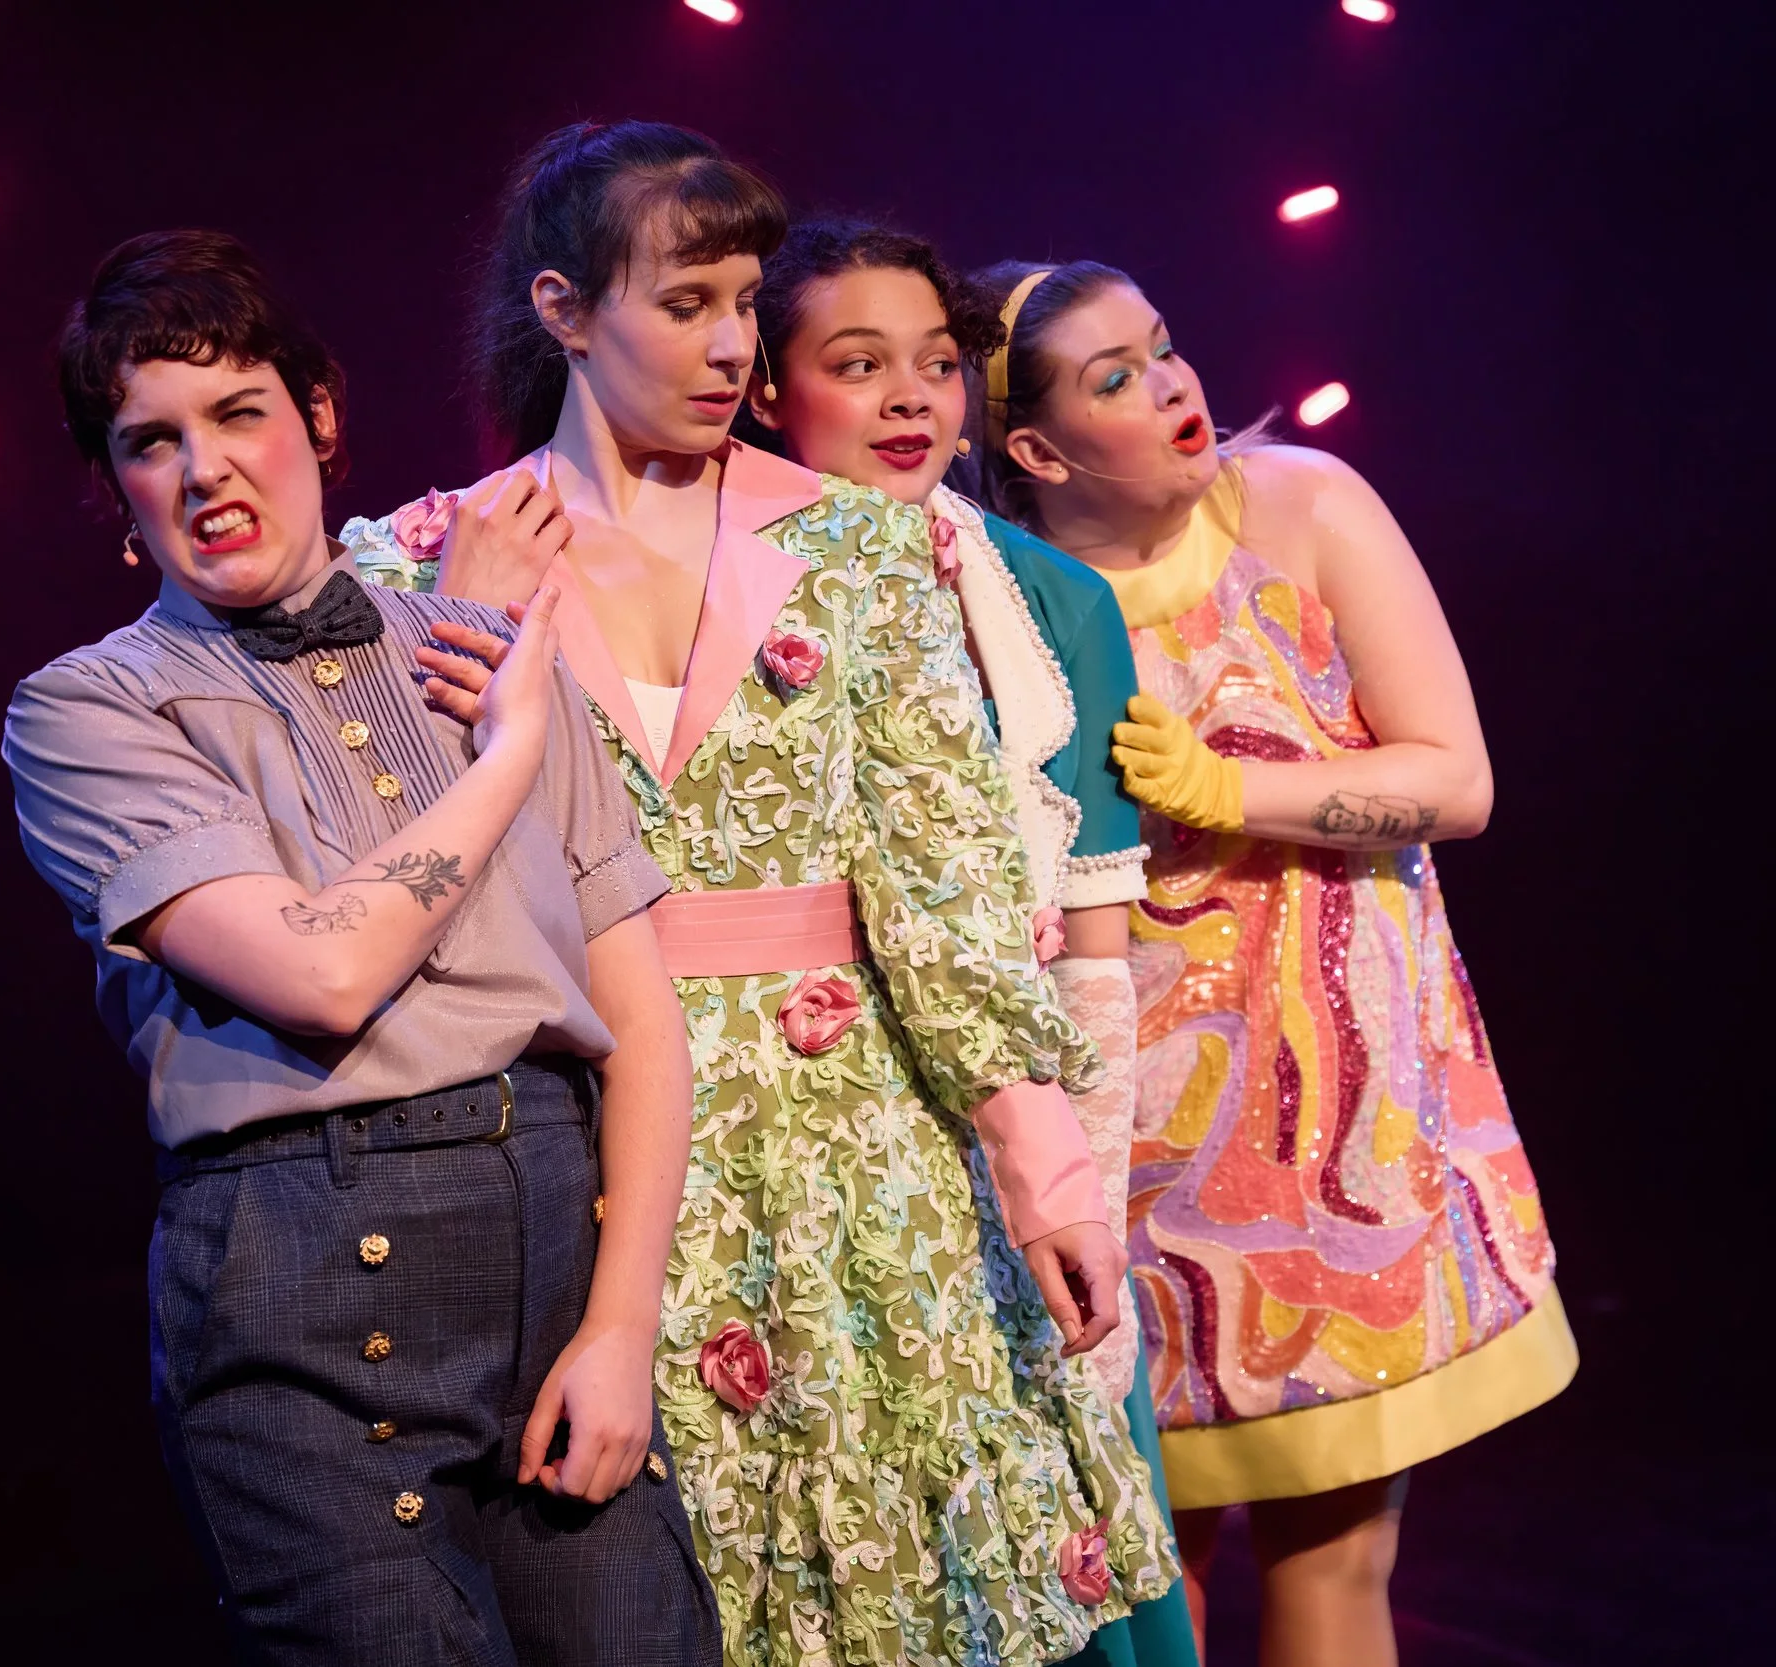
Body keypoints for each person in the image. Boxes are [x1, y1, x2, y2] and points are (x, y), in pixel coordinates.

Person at [341, 122, 1175, 1667]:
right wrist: (471, 624)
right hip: (593, 1159)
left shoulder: (857, 550)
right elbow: (396, 885)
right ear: (564, 308)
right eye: (686, 304)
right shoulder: (418, 559)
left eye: (743, 302)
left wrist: (1044, 1161)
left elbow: (947, 883)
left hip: (866, 1155)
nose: (733, 345)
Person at [2, 229, 716, 1666]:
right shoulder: (89, 709)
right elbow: (324, 973)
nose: (206, 470)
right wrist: (510, 749)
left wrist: (624, 1324)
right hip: (308, 1289)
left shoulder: (471, 643)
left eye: (239, 412)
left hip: (547, 1251)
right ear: (118, 493)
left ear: (318, 417)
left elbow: (644, 1021)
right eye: (153, 441)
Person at [971, 258, 1577, 1667]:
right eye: (1116, 376)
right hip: (1123, 1138)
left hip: (1340, 1129)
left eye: (1165, 348)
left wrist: (1237, 789)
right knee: (1136, 1562)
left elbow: (1458, 777)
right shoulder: (999, 595)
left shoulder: (1301, 505)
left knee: (1336, 1550)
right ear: (1039, 449)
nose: (1176, 384)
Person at [730, 217, 1194, 1667]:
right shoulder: (717, 580)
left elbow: (1095, 952)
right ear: (766, 388)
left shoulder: (1049, 598)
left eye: (937, 362)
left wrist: (1080, 1180)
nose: (912, 399)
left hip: (1024, 1136)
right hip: (806, 1127)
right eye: (858, 365)